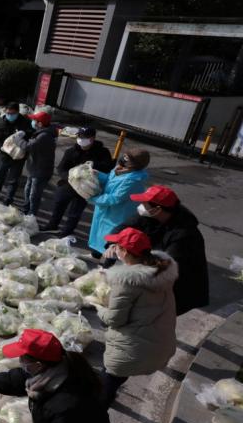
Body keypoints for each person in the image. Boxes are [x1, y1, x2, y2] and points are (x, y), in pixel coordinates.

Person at [98, 227, 177, 407]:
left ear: (124, 251)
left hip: (132, 350)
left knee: (106, 384)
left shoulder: (126, 282)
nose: (114, 248)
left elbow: (114, 319)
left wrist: (98, 307)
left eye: (117, 246)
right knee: (115, 378)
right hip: (159, 345)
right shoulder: (161, 270)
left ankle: (98, 413)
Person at [115, 186, 209, 314]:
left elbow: (165, 267)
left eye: (144, 203)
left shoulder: (185, 235)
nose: (140, 206)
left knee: (153, 317)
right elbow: (123, 228)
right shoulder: (150, 215)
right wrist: (114, 244)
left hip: (177, 286)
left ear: (157, 209)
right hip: (157, 273)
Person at [42, 127, 114, 237]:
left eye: (84, 137)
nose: (81, 139)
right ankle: (53, 224)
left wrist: (92, 167)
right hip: (68, 184)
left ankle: (67, 230)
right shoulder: (71, 151)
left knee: (75, 211)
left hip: (86, 187)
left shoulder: (102, 152)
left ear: (92, 138)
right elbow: (61, 168)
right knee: (59, 204)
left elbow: (107, 168)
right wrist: (70, 178)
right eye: (79, 136)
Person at [86, 147, 150, 256]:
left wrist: (92, 198)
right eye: (124, 156)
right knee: (99, 233)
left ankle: (108, 264)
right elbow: (110, 180)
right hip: (106, 207)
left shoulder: (133, 180)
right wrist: (98, 174)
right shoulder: (121, 169)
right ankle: (95, 255)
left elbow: (115, 198)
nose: (123, 159)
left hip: (117, 213)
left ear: (135, 164)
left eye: (127, 158)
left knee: (112, 238)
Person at [0, 103, 32, 205]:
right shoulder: (1, 123)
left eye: (13, 113)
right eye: (8, 113)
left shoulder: (26, 123)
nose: (10, 115)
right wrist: (1, 147)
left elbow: (32, 134)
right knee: (0, 174)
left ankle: (9, 197)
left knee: (14, 178)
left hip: (19, 157)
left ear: (17, 112)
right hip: (5, 155)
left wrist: (26, 133)